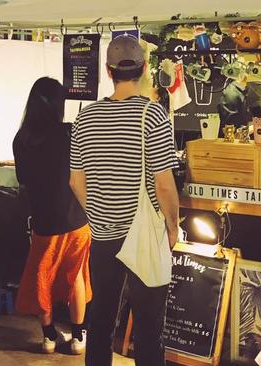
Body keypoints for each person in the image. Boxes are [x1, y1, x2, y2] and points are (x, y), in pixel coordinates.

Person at [69, 35, 180, 366]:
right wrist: (173, 226)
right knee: (148, 328)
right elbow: (164, 185)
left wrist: (100, 212)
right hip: (142, 234)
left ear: (108, 70)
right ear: (145, 69)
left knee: (101, 320)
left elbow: (76, 180)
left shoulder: (85, 118)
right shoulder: (153, 116)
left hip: (103, 237)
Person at [13, 77, 91, 355]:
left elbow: (23, 182)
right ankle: (79, 336)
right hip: (77, 219)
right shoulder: (69, 133)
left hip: (44, 222)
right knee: (76, 276)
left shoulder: (22, 140)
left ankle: (48, 337)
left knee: (42, 276)